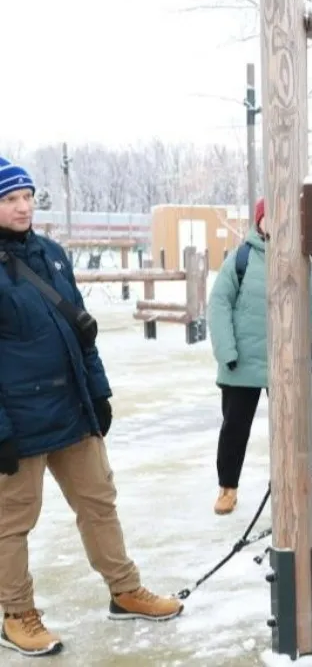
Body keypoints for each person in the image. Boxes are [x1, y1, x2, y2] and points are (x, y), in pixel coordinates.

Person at [0, 157, 182, 658]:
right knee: (12, 524)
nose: (22, 207)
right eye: (10, 199)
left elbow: (81, 329)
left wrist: (98, 392)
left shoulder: (52, 254)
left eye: (27, 197)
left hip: (72, 409)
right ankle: (16, 614)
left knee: (99, 503)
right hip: (17, 421)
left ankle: (125, 591)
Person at [207, 197, 312, 515]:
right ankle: (227, 487)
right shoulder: (241, 258)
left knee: (292, 428)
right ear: (259, 221)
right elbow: (219, 305)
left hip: (285, 363)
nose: (273, 224)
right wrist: (226, 352)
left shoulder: (300, 259)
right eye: (267, 218)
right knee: (234, 428)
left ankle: (292, 484)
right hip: (243, 363)